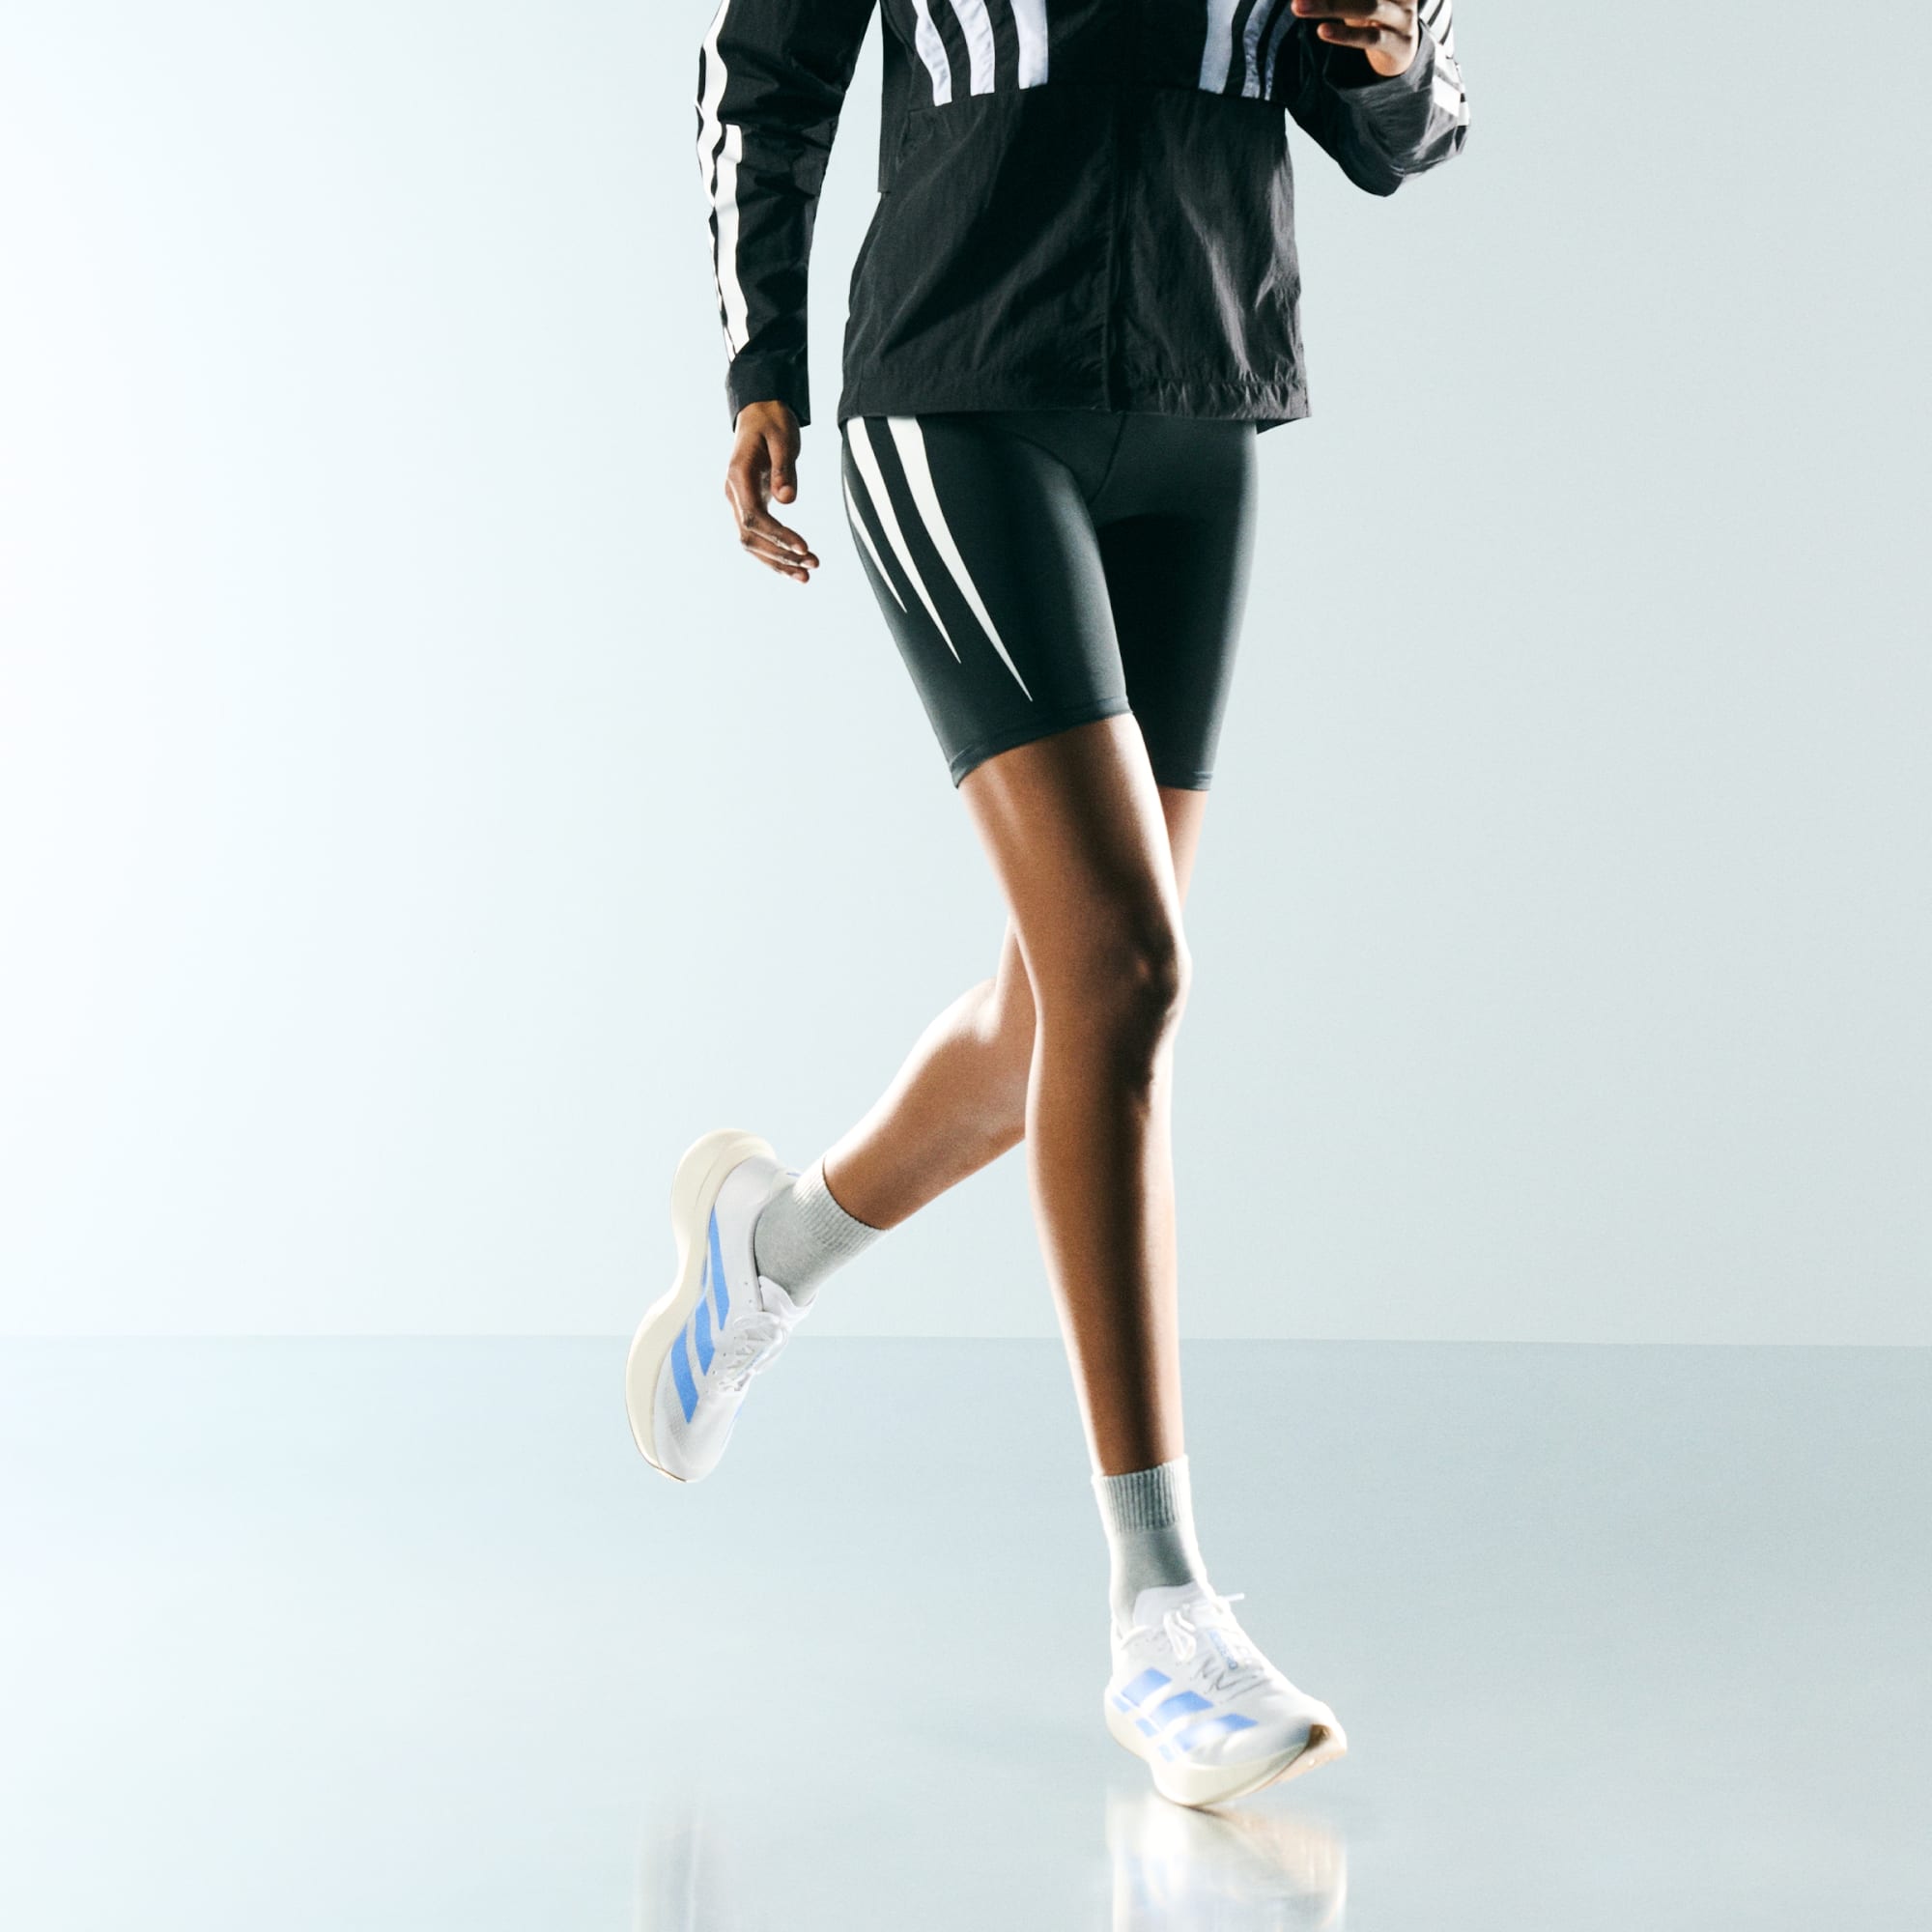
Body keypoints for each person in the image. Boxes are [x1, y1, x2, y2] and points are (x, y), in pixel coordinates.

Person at [627, 0, 1469, 1809]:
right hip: (961, 393)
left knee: (1071, 1006)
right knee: (1129, 975)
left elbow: (1412, 124)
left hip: (1201, 408)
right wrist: (762, 351)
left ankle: (769, 1256)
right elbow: (762, 69)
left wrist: (1390, 57)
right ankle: (1163, 1622)